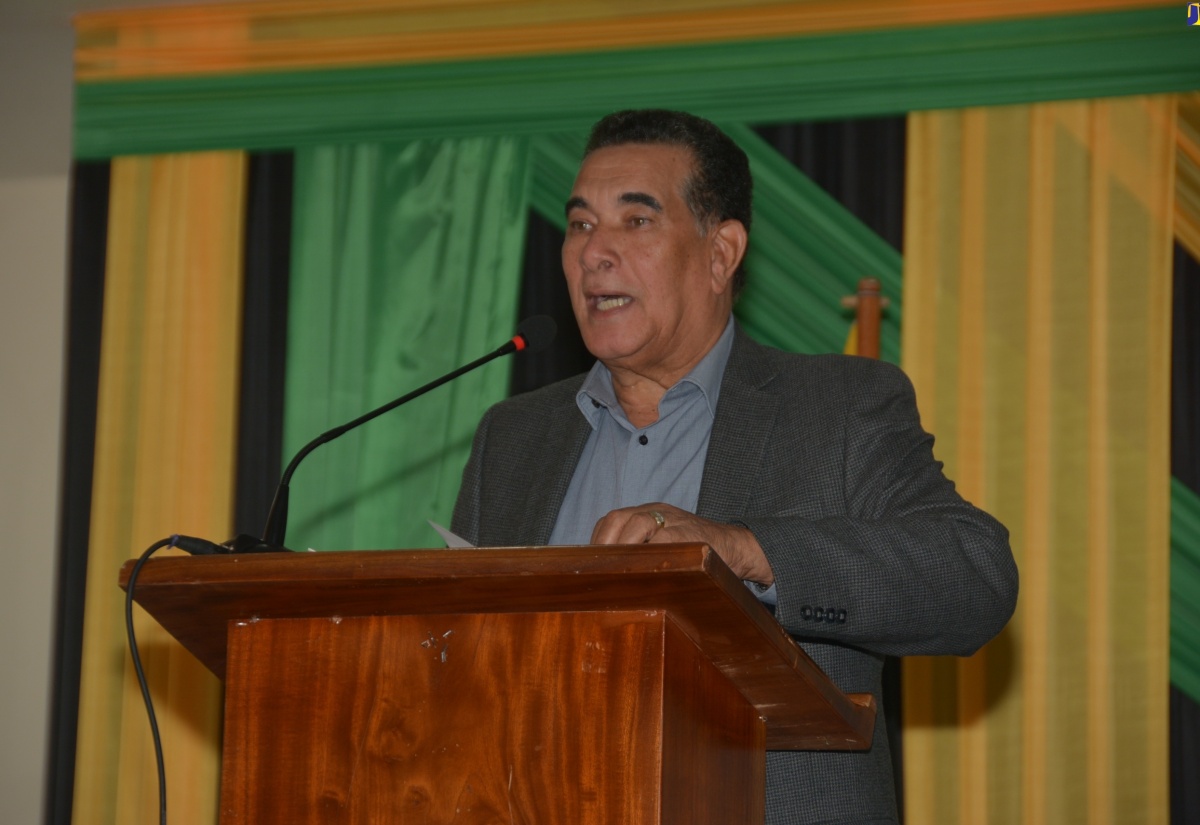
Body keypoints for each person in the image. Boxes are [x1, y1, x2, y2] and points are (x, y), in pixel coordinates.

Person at [452, 109, 1018, 824]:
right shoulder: (515, 437)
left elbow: (974, 576)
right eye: (579, 224)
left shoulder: (839, 408)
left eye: (635, 221)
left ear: (721, 253)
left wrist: (745, 550)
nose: (594, 253)